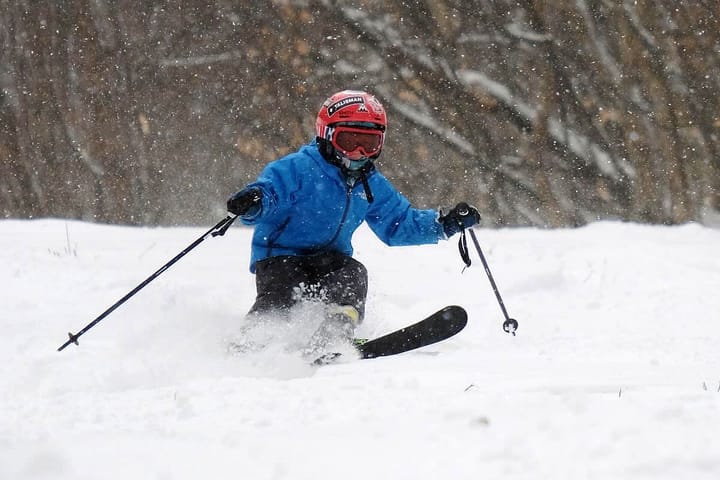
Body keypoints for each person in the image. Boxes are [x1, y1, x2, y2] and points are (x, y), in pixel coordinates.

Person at [227, 90, 479, 355]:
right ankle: (254, 341)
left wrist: (444, 224)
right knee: (283, 294)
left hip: (331, 259)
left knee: (352, 276)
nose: (358, 153)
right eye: (349, 140)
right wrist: (254, 201)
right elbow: (271, 193)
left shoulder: (370, 183)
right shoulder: (298, 168)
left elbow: (399, 223)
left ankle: (333, 336)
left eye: (369, 144)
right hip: (281, 257)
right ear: (327, 135)